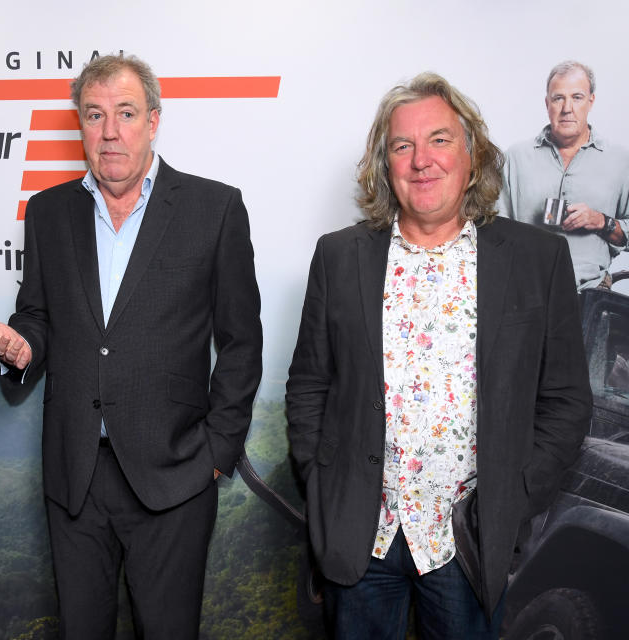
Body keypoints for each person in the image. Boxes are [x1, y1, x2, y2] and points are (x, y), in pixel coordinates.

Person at [286, 73, 591, 639]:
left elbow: (566, 400)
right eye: (403, 145)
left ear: (471, 155)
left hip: (468, 544)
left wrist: (514, 498)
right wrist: (323, 483)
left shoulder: (536, 259)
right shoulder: (338, 256)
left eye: (439, 140)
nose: (421, 160)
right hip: (361, 540)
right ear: (386, 164)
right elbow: (309, 385)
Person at [0, 54, 262, 639]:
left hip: (177, 472)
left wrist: (216, 451)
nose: (109, 132)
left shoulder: (214, 208)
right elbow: (38, 315)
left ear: (153, 120)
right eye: (94, 115)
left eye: (125, 113)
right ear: (80, 124)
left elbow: (241, 340)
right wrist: (23, 347)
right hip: (75, 472)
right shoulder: (49, 212)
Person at [499, 60, 629, 289]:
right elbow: (495, 231)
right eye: (559, 98)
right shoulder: (516, 158)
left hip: (589, 295)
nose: (567, 108)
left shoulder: (620, 161)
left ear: (591, 101)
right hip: (524, 294)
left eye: (577, 97)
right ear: (547, 103)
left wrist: (601, 221)